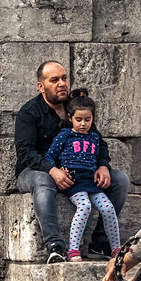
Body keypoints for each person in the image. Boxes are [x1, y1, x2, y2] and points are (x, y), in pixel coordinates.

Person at [15, 62, 129, 263]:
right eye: (54, 80)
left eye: (64, 78)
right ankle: (55, 247)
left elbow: (97, 140)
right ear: (41, 86)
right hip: (35, 171)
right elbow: (26, 153)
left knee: (120, 179)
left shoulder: (76, 106)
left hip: (79, 173)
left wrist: (103, 165)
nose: (62, 84)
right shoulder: (29, 112)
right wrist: (52, 170)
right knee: (43, 180)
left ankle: (100, 243)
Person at [44, 92, 121, 262]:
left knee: (108, 208)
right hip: (75, 182)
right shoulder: (64, 135)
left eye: (87, 119)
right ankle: (73, 249)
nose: (83, 124)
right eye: (79, 119)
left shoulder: (94, 137)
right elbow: (50, 156)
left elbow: (101, 155)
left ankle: (116, 248)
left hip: (92, 182)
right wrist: (57, 170)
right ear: (70, 118)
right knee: (84, 206)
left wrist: (102, 167)